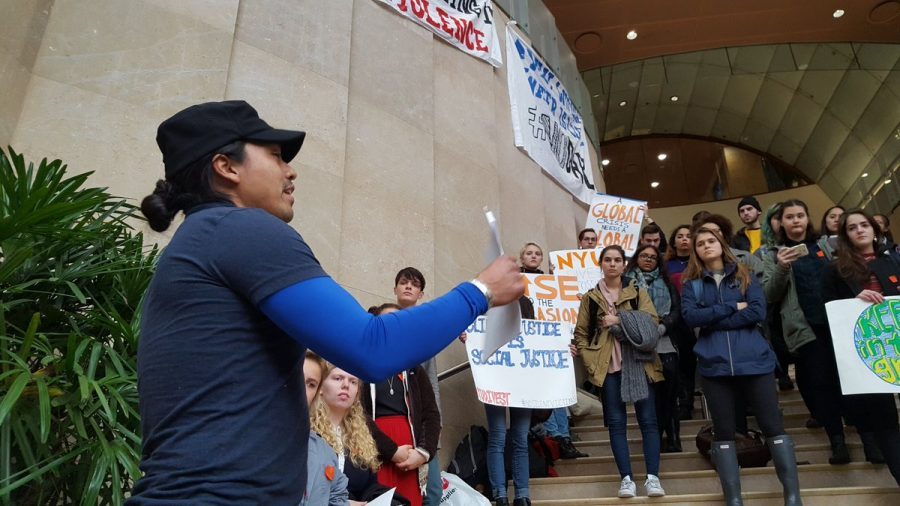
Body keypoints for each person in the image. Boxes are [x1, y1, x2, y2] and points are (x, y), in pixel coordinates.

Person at [131, 100, 524, 503]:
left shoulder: (203, 240)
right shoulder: (239, 229)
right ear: (226, 167)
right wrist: (481, 291)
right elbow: (372, 347)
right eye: (275, 155)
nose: (291, 170)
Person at [681, 227, 801, 506]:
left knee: (773, 426)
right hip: (714, 366)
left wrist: (714, 318)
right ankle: (733, 499)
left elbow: (758, 311)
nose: (706, 246)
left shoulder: (744, 273)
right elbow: (690, 317)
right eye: (700, 243)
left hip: (755, 362)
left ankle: (792, 497)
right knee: (724, 432)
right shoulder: (692, 284)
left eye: (711, 241)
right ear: (695, 250)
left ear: (721, 244)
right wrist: (733, 308)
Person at [762, 199, 849, 465]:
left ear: (808, 218)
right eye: (789, 217)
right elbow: (769, 294)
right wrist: (782, 266)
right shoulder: (772, 254)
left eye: (800, 215)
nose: (796, 220)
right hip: (805, 329)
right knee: (821, 384)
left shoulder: (827, 245)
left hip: (839, 324)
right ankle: (837, 440)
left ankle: (868, 437)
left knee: (846, 382)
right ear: (781, 223)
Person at [574, 245, 666, 499]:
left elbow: (652, 324)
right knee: (616, 424)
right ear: (601, 264)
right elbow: (580, 334)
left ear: (624, 265)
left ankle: (653, 478)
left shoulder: (637, 292)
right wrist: (591, 361)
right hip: (608, 368)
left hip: (639, 364)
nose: (612, 264)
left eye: (617, 260)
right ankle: (626, 479)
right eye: (608, 260)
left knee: (648, 422)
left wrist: (619, 320)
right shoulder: (590, 298)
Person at [822, 210, 900, 484]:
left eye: (864, 224)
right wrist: (855, 301)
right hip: (868, 355)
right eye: (852, 227)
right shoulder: (834, 270)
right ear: (845, 236)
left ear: (875, 229)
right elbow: (827, 312)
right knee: (886, 424)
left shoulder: (894, 259)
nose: (859, 230)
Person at [362, 303, 440, 506]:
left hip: (410, 455)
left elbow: (431, 414)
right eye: (387, 321)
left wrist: (422, 453)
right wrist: (391, 451)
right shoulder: (362, 366)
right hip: (376, 451)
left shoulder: (414, 370)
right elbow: (357, 414)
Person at [520, 242, 588, 460]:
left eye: (537, 253)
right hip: (530, 344)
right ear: (522, 258)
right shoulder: (517, 283)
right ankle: (556, 437)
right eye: (529, 253)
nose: (533, 256)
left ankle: (563, 438)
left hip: (552, 342)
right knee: (545, 392)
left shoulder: (553, 282)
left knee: (557, 391)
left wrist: (574, 300)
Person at [311, 364, 411, 505]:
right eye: (338, 378)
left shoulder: (360, 435)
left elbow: (369, 487)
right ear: (320, 387)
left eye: (353, 382)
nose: (346, 385)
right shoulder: (307, 433)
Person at [392, 267, 444, 505]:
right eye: (404, 282)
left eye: (414, 284)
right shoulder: (383, 320)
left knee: (432, 490)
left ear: (421, 293)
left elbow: (431, 378)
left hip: (422, 418)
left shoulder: (427, 327)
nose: (408, 286)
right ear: (395, 288)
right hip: (391, 417)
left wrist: (435, 426)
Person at [625, 245, 682, 453]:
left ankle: (674, 437)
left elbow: (677, 309)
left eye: (653, 257)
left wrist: (662, 326)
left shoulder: (666, 281)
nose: (648, 260)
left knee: (669, 394)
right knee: (649, 397)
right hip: (638, 345)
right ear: (636, 259)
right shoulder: (626, 283)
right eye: (644, 256)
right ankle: (654, 438)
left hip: (665, 342)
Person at [302, 351, 350, 506]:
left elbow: (338, 496)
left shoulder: (325, 451)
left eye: (311, 384)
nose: (302, 389)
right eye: (296, 378)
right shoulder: (254, 437)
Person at [758, 203, 795, 392]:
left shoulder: (810, 246)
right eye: (777, 217)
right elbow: (767, 290)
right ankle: (783, 374)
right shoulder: (765, 253)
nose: (781, 222)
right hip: (776, 310)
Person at [664, 225, 695, 420]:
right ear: (673, 241)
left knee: (690, 365)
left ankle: (688, 402)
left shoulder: (700, 262)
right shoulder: (666, 265)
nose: (684, 239)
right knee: (678, 365)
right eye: (680, 236)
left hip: (697, 318)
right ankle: (682, 404)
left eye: (689, 236)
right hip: (674, 320)